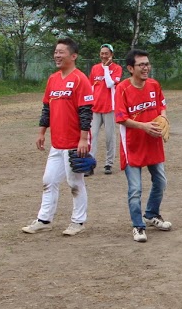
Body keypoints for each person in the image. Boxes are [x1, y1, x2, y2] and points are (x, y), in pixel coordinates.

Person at [22, 37, 94, 237]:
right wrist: (42, 131)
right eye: (55, 52)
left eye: (61, 52)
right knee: (49, 180)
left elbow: (86, 111)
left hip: (74, 141)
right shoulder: (53, 79)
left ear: (73, 56)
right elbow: (47, 107)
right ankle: (45, 219)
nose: (57, 55)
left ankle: (78, 222)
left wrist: (83, 139)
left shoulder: (81, 79)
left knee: (74, 182)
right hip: (58, 141)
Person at [114, 49, 172, 243]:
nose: (146, 67)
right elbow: (121, 118)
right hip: (132, 145)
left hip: (153, 142)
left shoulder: (154, 85)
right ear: (130, 68)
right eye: (141, 65)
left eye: (147, 64)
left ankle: (152, 214)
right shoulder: (122, 89)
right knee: (135, 189)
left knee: (161, 182)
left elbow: (161, 104)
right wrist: (144, 126)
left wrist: (163, 116)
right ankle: (138, 226)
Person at [87, 43, 123, 175]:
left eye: (106, 53)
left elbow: (109, 84)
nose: (103, 56)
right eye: (102, 53)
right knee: (92, 136)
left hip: (110, 107)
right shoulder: (95, 68)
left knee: (109, 137)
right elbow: (91, 87)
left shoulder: (117, 68)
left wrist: (107, 69)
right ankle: (90, 164)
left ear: (111, 55)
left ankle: (108, 164)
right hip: (95, 108)